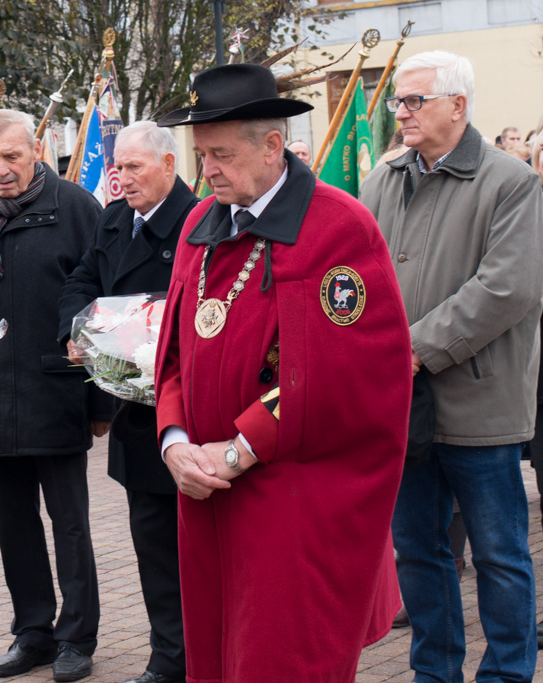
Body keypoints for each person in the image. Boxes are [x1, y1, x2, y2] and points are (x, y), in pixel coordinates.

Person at [153, 63, 412, 681]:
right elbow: (173, 356)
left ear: (272, 146)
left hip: (288, 502)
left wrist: (235, 452)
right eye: (201, 154)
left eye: (220, 155)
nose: (206, 171)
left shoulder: (337, 228)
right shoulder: (199, 225)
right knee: (218, 660)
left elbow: (339, 382)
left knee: (283, 661)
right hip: (207, 496)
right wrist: (176, 441)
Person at [361, 50, 542, 682]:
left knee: (499, 554)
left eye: (414, 101)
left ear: (458, 106)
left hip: (479, 403)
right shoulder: (382, 182)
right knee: (418, 553)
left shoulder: (511, 181)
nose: (400, 112)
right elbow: (358, 278)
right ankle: (434, 672)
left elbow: (506, 290)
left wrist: (410, 350)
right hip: (401, 405)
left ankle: (509, 673)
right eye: (397, 102)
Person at [0, 108, 106, 682]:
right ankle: (33, 632)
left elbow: (99, 305)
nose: (2, 169)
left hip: (57, 390)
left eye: (12, 156)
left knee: (69, 523)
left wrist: (102, 402)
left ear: (36, 148)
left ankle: (77, 636)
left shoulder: (75, 208)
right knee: (15, 524)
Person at [58, 120, 197, 683]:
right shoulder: (114, 219)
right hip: (136, 415)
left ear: (168, 164)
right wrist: (79, 331)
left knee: (198, 553)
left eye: (134, 167)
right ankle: (169, 657)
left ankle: (205, 655)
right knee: (154, 549)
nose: (122, 178)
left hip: (189, 413)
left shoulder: (198, 221)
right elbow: (80, 282)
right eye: (116, 168)